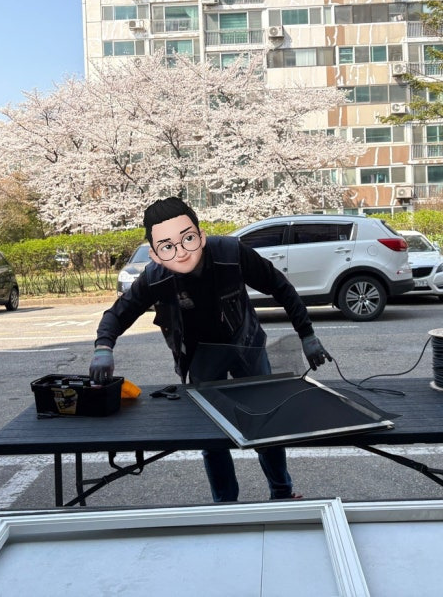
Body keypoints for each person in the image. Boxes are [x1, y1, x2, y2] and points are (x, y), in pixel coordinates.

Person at [91, 197, 333, 502]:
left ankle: (282, 493)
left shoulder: (231, 253)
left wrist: (307, 335)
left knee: (266, 424)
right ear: (155, 252)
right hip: (200, 354)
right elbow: (118, 314)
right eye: (167, 246)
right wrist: (103, 347)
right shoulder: (156, 277)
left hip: (246, 342)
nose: (180, 252)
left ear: (200, 235)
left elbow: (280, 286)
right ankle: (225, 502)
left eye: (187, 239)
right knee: (212, 434)